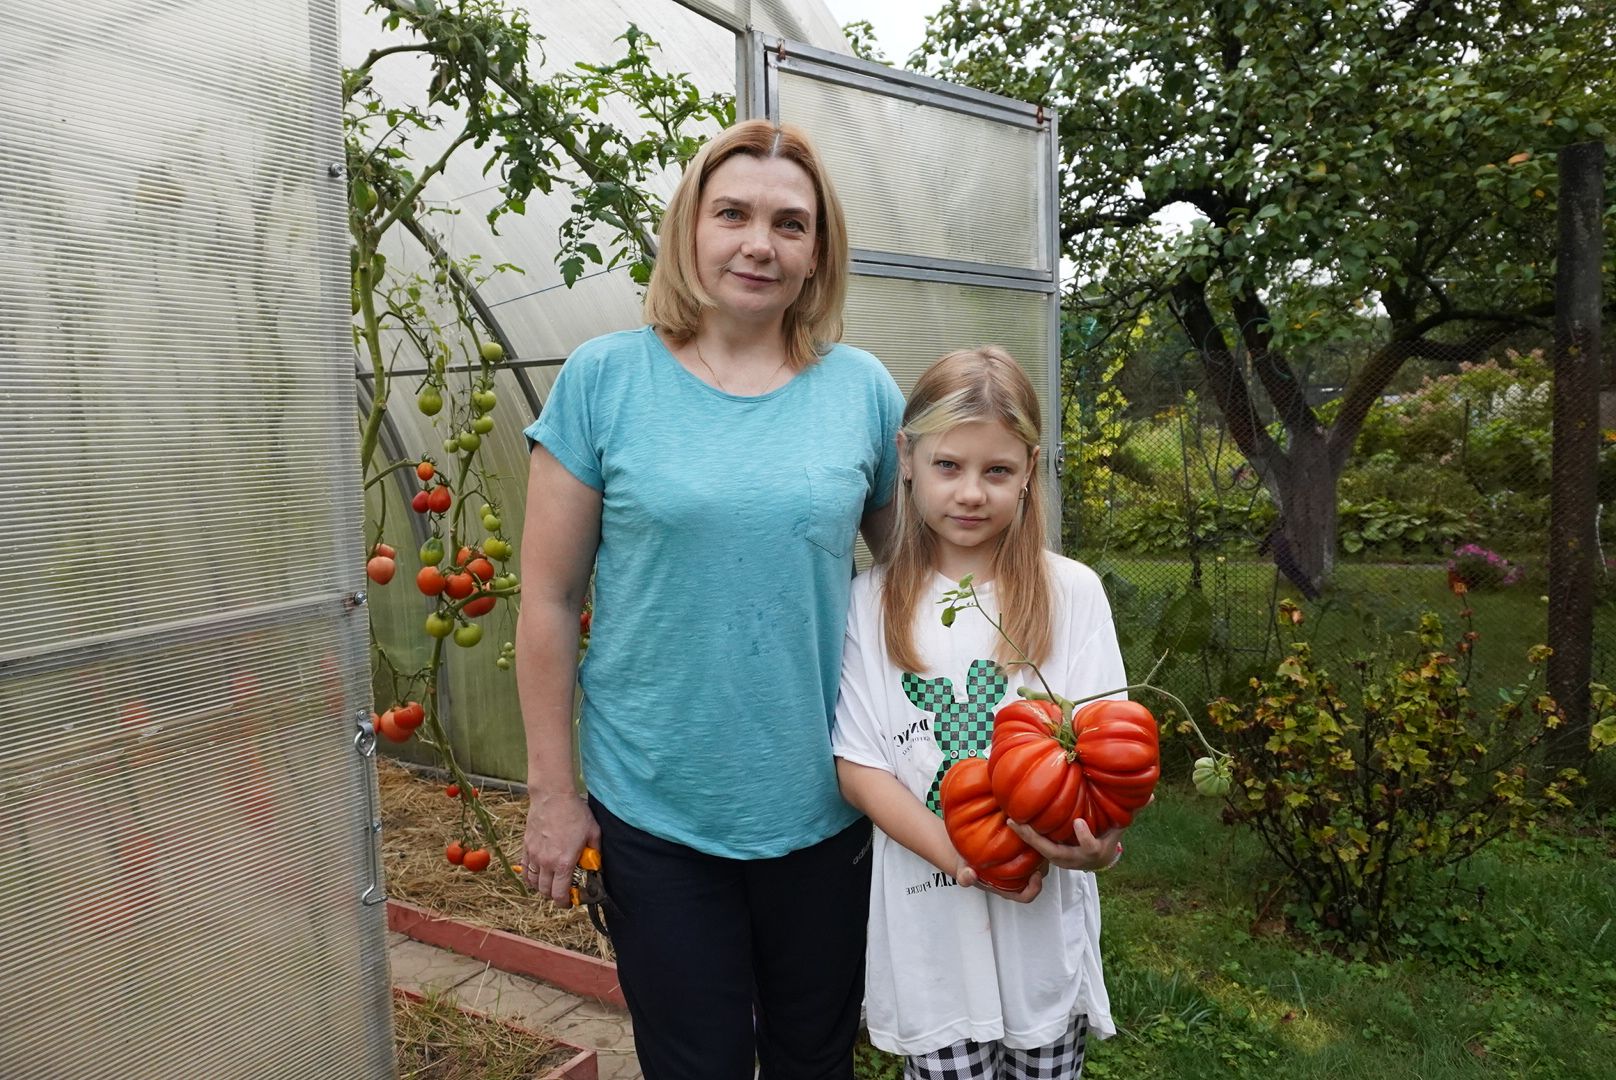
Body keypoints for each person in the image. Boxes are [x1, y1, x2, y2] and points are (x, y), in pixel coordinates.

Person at [515, 119, 905, 1079]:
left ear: (818, 254)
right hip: (659, 810)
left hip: (829, 805)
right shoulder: (606, 380)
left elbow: (921, 591)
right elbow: (549, 600)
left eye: (789, 224)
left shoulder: (861, 392)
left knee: (817, 1061)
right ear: (690, 229)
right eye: (731, 213)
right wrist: (553, 794)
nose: (758, 244)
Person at [831, 346, 1128, 1078]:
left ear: (1029, 468)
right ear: (906, 458)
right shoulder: (867, 606)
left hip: (1041, 936)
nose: (971, 492)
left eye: (996, 470)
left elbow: (1112, 757)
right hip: (933, 940)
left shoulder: (1072, 594)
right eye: (948, 466)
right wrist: (965, 860)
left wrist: (1095, 840)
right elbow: (859, 767)